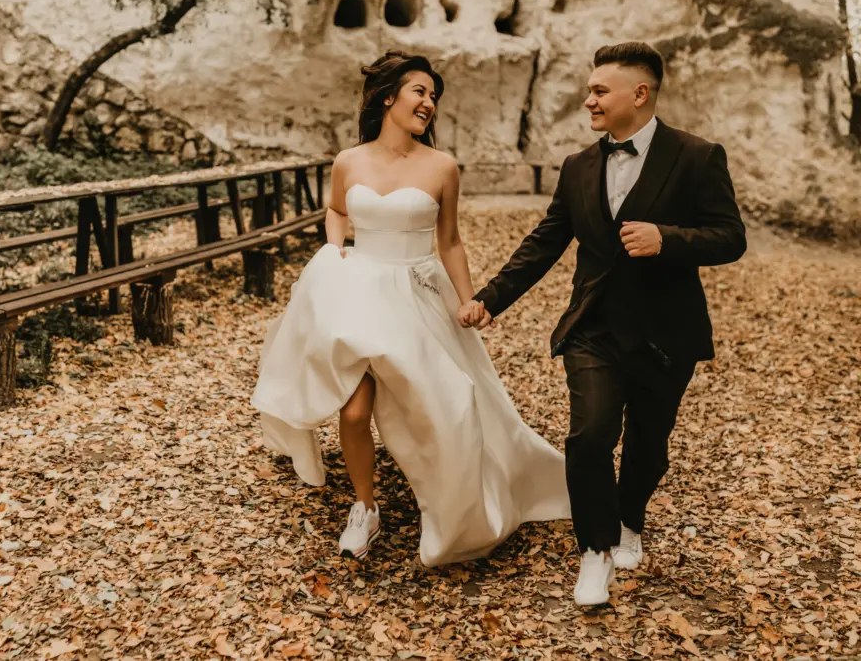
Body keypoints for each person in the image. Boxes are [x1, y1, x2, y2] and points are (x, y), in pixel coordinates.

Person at [251, 50, 570, 567]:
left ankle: (457, 502)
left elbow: (451, 242)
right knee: (354, 411)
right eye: (420, 91)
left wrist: (469, 301)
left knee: (444, 407)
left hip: (419, 296)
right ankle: (364, 506)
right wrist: (334, 251)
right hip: (357, 292)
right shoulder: (348, 161)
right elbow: (335, 211)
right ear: (388, 97)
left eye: (433, 96)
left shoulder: (442, 166)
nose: (429, 103)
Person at [460, 42, 747, 605]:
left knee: (648, 444)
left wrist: (669, 239)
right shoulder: (578, 167)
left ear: (639, 94)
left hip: (667, 334)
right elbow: (542, 244)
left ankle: (629, 519)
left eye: (599, 90)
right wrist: (490, 298)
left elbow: (731, 236)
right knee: (589, 435)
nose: (587, 99)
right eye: (589, 90)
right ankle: (594, 552)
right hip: (592, 329)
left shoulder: (697, 156)